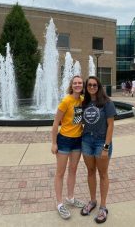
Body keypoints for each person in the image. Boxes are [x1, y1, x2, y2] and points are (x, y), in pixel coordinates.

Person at [80, 76, 116, 224]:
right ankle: (93, 201)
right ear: (86, 87)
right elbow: (78, 121)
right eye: (90, 85)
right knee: (90, 172)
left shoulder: (107, 103)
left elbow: (111, 126)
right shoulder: (84, 102)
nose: (92, 87)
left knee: (102, 174)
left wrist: (106, 147)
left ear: (99, 86)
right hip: (87, 140)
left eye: (95, 85)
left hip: (102, 142)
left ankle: (103, 206)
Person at [51, 75, 85, 220]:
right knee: (60, 172)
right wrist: (53, 143)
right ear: (71, 86)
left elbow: (79, 120)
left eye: (80, 83)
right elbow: (55, 122)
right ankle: (59, 203)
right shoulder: (66, 101)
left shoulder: (82, 100)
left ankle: (70, 198)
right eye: (75, 83)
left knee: (73, 170)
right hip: (64, 140)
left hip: (78, 140)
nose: (78, 85)